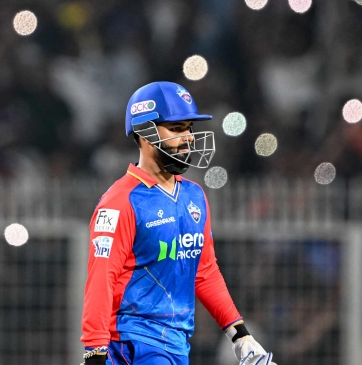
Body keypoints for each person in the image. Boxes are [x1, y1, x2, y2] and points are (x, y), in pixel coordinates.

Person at [80, 81, 276, 365]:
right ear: (145, 132)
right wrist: (95, 353)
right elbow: (101, 279)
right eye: (177, 128)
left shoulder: (194, 195)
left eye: (189, 128)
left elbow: (204, 272)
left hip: (176, 345)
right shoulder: (120, 202)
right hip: (133, 344)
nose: (189, 138)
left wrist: (240, 335)